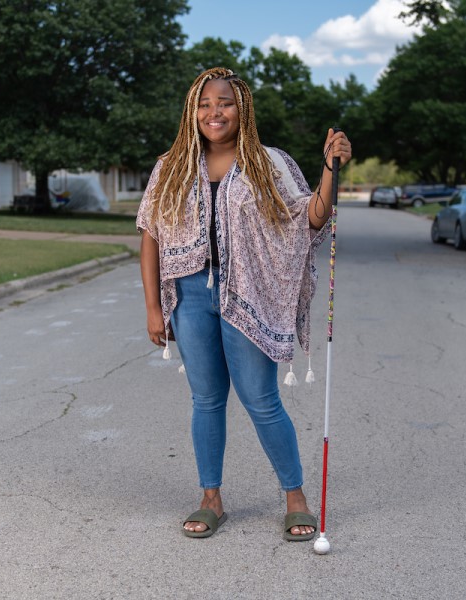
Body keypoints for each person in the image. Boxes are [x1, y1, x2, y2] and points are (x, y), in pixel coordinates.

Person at [137, 67, 351, 541]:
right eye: (205, 103)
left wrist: (330, 169)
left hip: (249, 293)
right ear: (193, 111)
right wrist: (154, 307)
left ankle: (294, 497)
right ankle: (210, 498)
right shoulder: (170, 165)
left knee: (261, 398)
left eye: (225, 103)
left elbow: (309, 217)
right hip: (189, 295)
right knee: (206, 399)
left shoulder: (268, 163)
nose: (215, 112)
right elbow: (150, 235)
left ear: (243, 109)